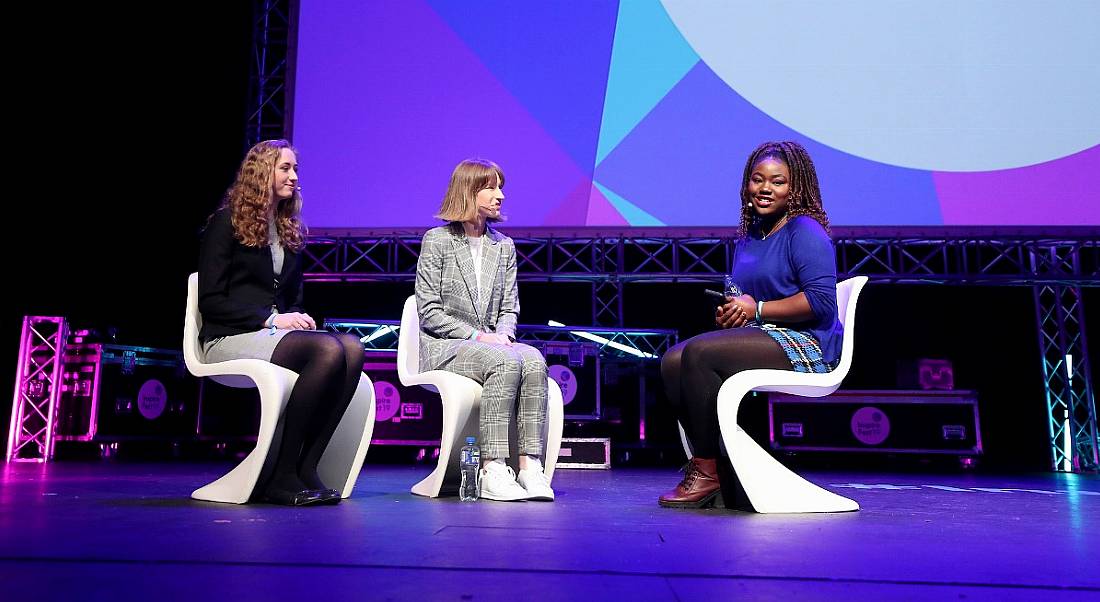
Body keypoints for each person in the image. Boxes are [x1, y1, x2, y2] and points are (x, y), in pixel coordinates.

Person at [658, 141, 842, 508]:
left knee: (698, 353)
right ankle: (718, 462)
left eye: (778, 181)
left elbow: (821, 301)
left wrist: (755, 309)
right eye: (758, 180)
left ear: (796, 188)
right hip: (766, 334)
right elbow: (745, 299)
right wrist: (732, 313)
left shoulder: (803, 231)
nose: (765, 188)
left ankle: (707, 471)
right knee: (673, 361)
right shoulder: (750, 238)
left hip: (806, 343)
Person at [198, 139, 366, 506]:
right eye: (285, 168)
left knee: (351, 348)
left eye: (295, 169)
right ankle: (282, 473)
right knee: (325, 350)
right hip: (227, 337)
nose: (294, 177)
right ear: (262, 173)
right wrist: (271, 319)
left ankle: (307, 466)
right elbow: (211, 302)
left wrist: (296, 320)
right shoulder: (227, 223)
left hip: (268, 334)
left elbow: (291, 301)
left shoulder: (286, 230)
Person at [414, 159, 555, 502]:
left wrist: (504, 335)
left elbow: (510, 307)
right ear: (469, 190)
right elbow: (429, 311)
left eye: (499, 187)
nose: (500, 195)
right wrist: (479, 336)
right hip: (446, 346)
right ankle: (492, 468)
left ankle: (529, 466)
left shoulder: (503, 246)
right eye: (491, 187)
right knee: (505, 362)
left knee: (533, 359)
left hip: (492, 344)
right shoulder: (437, 241)